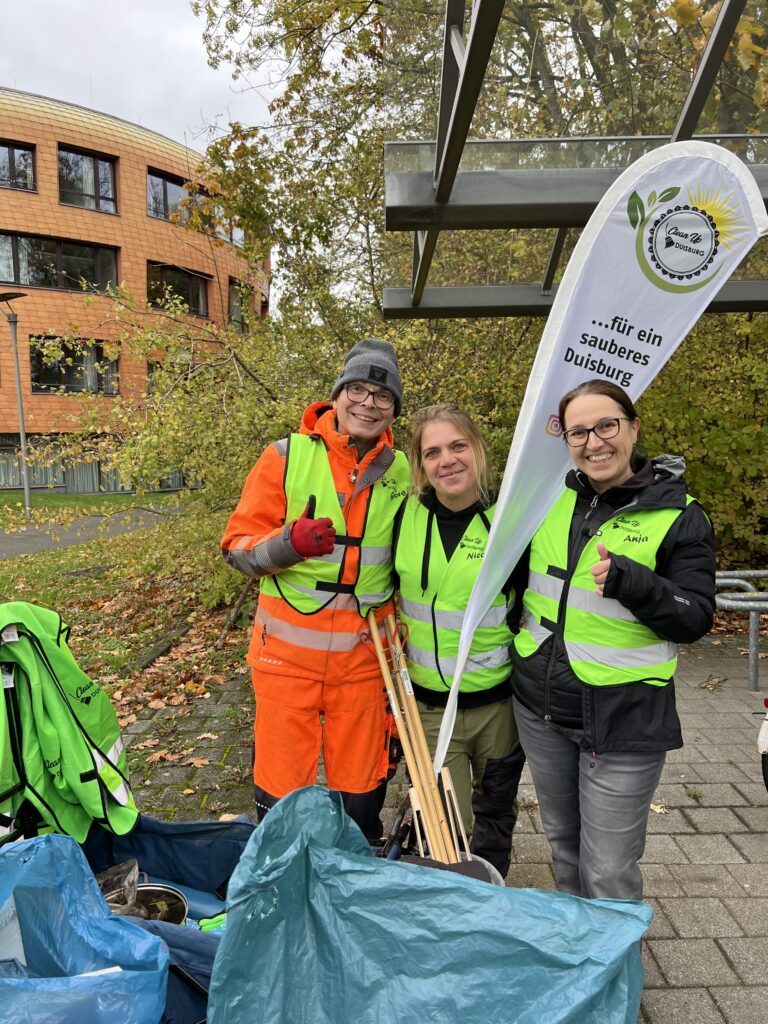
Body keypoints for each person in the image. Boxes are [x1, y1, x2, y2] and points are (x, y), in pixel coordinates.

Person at [512, 378, 716, 900]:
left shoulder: (680, 513)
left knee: (607, 869)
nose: (594, 442)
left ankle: (615, 954)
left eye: (607, 426)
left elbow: (695, 618)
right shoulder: (547, 498)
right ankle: (578, 944)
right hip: (542, 708)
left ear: (633, 428)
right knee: (564, 848)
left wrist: (636, 584)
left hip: (624, 719)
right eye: (578, 432)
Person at [220, 338, 409, 835]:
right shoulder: (284, 456)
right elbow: (236, 549)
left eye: (382, 395)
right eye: (358, 390)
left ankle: (354, 867)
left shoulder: (403, 471)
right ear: (338, 395)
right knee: (281, 789)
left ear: (393, 409)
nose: (368, 403)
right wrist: (289, 544)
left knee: (362, 790)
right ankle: (283, 867)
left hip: (364, 661)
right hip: (286, 660)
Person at [394, 404, 525, 876]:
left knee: (495, 812)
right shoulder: (404, 516)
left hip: (497, 706)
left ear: (477, 450)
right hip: (429, 709)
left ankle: (490, 893)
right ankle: (450, 900)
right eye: (432, 452)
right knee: (444, 826)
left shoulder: (510, 520)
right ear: (420, 464)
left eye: (457, 446)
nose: (447, 460)